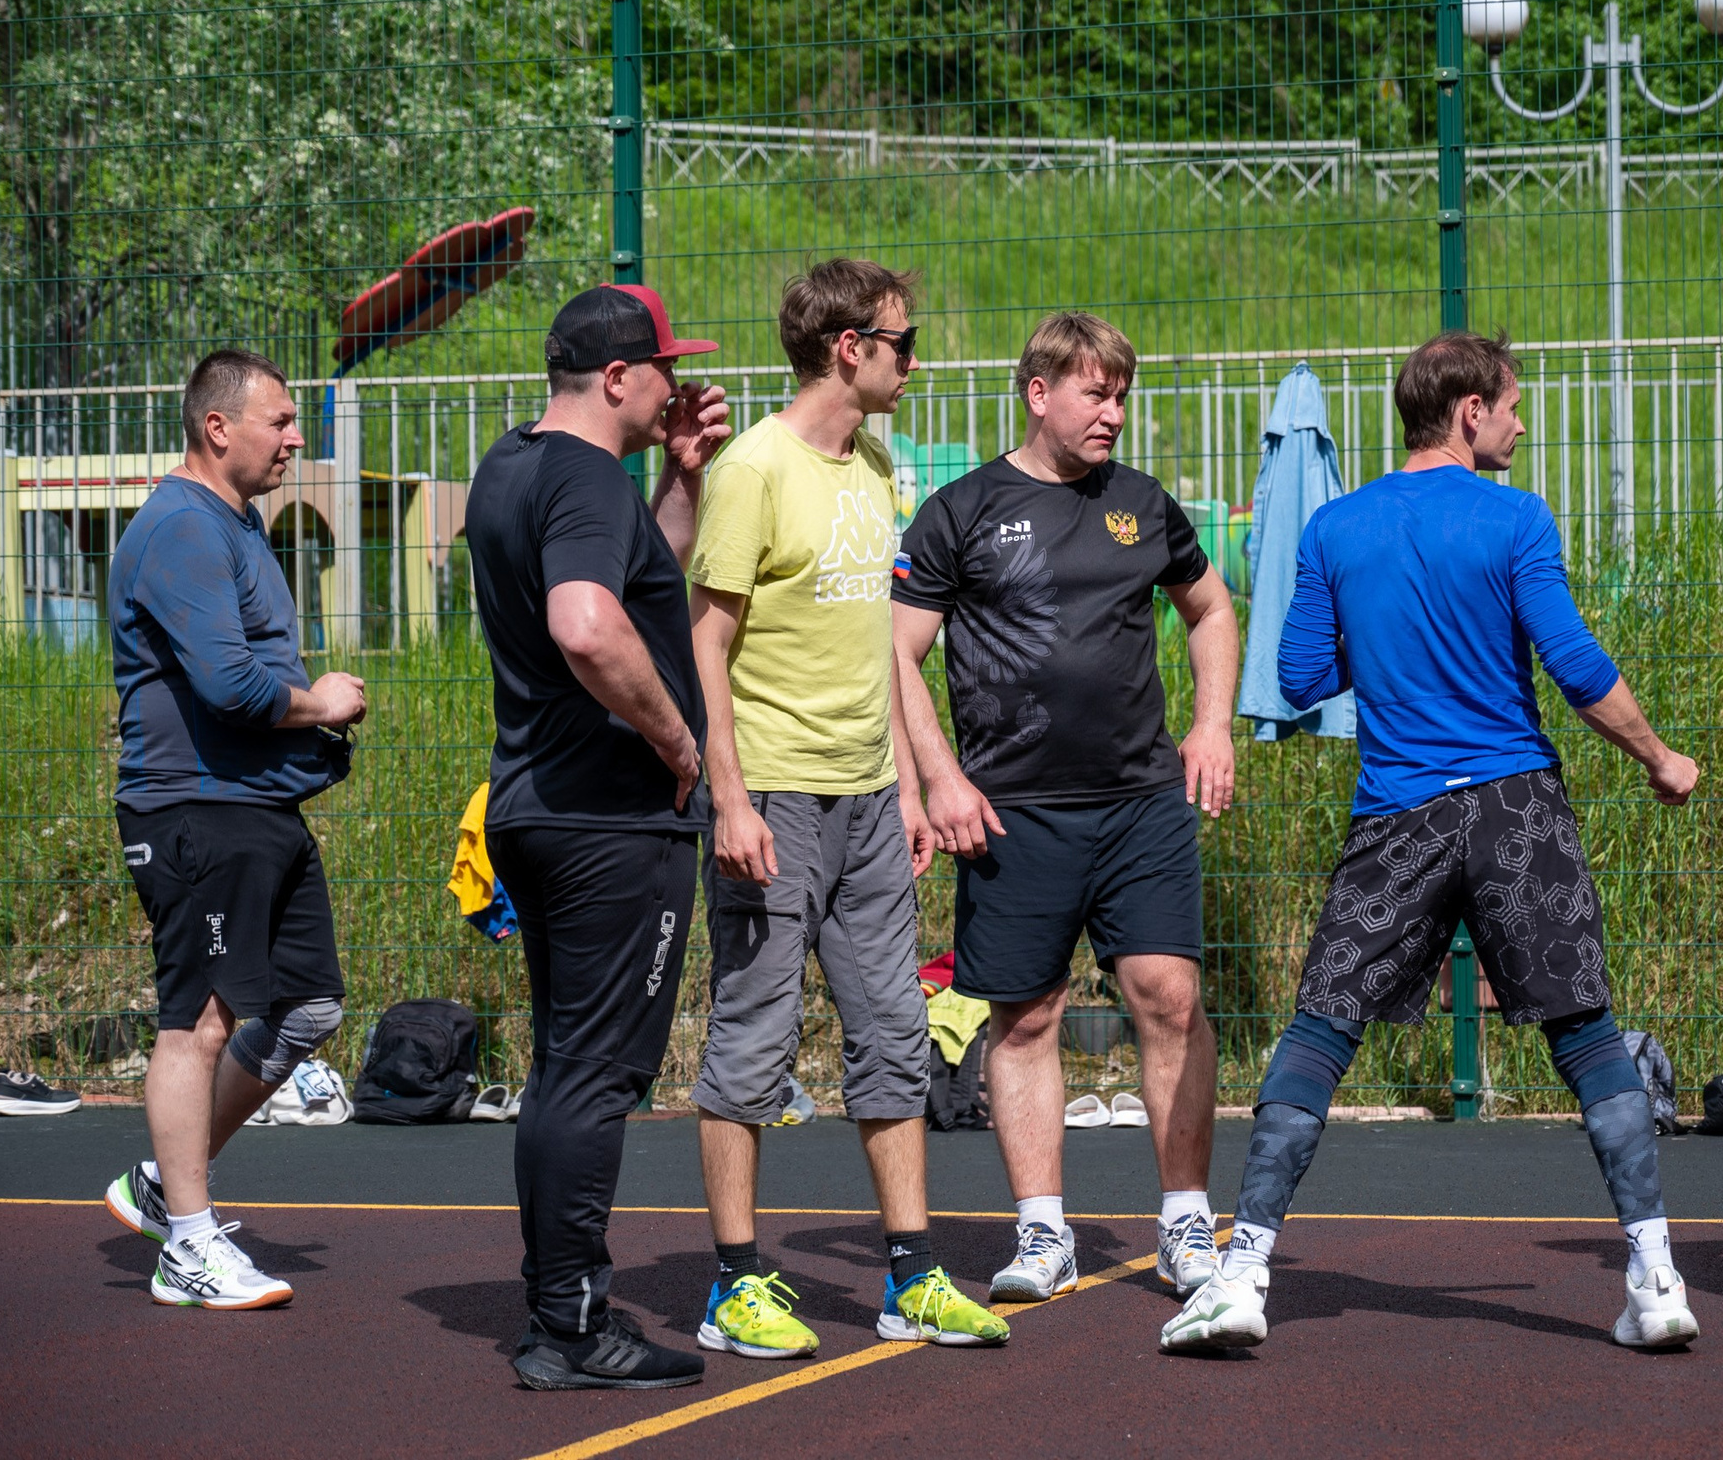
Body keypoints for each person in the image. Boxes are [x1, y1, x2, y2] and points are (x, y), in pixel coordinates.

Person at [1159, 331, 1702, 1356]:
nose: (1520, 424)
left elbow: (1301, 676)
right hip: (1515, 808)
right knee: (1586, 1034)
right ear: (1468, 411)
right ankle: (1656, 1277)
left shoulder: (1334, 526)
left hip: (1398, 816)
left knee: (1320, 1030)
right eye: (1512, 406)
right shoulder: (1516, 517)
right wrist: (1659, 756)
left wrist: (1384, 634)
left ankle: (1242, 1274)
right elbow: (1573, 661)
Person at [685, 258, 1006, 1355]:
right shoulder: (752, 470)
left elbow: (879, 640)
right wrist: (730, 799)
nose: (916, 361)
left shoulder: (873, 461)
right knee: (753, 1037)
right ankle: (733, 1285)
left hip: (869, 798)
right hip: (774, 794)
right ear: (848, 348)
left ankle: (911, 1275)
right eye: (902, 343)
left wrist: (910, 783)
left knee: (895, 1034)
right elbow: (706, 644)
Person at [893, 310, 1239, 1307]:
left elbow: (1211, 609)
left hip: (1141, 803)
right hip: (1012, 811)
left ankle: (1186, 1225)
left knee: (1169, 997)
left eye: (1122, 395)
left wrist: (1211, 724)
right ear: (1039, 393)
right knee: (1027, 1015)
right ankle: (1042, 1233)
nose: (1113, 413)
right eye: (1096, 392)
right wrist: (937, 778)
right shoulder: (959, 511)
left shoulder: (1143, 502)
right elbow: (896, 653)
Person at [465, 283, 731, 1391]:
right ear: (618, 377)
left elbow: (629, 577)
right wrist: (678, 740)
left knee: (564, 1068)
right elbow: (586, 621)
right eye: (665, 367)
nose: (679, 384)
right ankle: (568, 1323)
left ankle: (558, 1304)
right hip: (609, 819)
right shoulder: (580, 475)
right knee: (595, 1074)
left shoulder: (512, 465)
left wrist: (681, 478)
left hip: (539, 804)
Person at [103, 349, 365, 1310]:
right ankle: (187, 1244)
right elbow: (230, 685)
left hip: (255, 805)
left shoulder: (238, 521)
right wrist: (321, 701)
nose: (296, 439)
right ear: (218, 427)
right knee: (199, 1021)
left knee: (309, 1008)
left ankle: (163, 1184)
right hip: (193, 809)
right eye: (280, 421)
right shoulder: (181, 526)